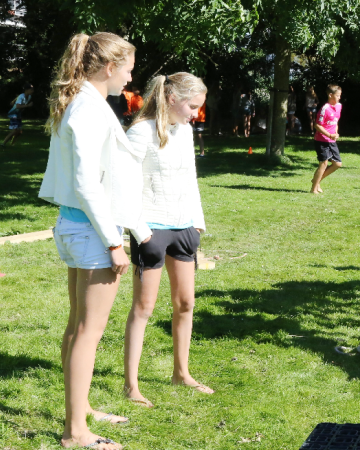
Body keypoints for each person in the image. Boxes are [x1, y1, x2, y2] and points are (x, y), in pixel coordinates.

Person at [38, 32, 141, 450]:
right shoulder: (87, 108)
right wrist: (114, 242)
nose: (130, 78)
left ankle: (80, 412)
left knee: (78, 326)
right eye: (128, 69)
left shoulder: (83, 103)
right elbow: (86, 183)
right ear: (110, 67)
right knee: (87, 331)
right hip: (91, 231)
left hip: (77, 226)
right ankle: (75, 432)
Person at [123, 72, 212, 409]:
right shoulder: (140, 132)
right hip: (151, 230)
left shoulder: (185, 131)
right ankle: (131, 386)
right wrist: (140, 230)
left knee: (185, 304)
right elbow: (124, 184)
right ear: (172, 99)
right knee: (143, 307)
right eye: (192, 106)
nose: (196, 114)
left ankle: (181, 373)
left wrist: (197, 223)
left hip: (185, 228)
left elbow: (191, 178)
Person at [310, 85, 343, 194]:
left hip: (331, 140)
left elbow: (335, 122)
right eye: (337, 95)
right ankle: (313, 189)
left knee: (337, 164)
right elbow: (317, 125)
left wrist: (335, 133)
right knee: (323, 163)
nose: (339, 98)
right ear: (330, 95)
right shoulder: (325, 109)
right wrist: (329, 135)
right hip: (322, 140)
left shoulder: (339, 106)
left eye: (340, 95)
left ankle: (316, 180)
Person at [1, 83, 35, 147]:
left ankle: (12, 144)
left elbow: (17, 100)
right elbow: (17, 106)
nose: (32, 91)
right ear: (26, 90)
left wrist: (13, 101)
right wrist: (28, 105)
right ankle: (3, 143)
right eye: (31, 89)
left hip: (18, 114)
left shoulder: (29, 97)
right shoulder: (21, 96)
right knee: (15, 130)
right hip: (13, 114)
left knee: (19, 132)